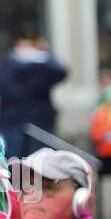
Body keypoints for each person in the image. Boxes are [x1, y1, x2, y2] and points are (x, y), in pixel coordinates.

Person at [0, 30, 68, 162]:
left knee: (39, 163)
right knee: (16, 163)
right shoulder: (11, 64)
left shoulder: (41, 66)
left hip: (37, 122)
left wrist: (41, 55)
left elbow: (61, 72)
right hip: (15, 122)